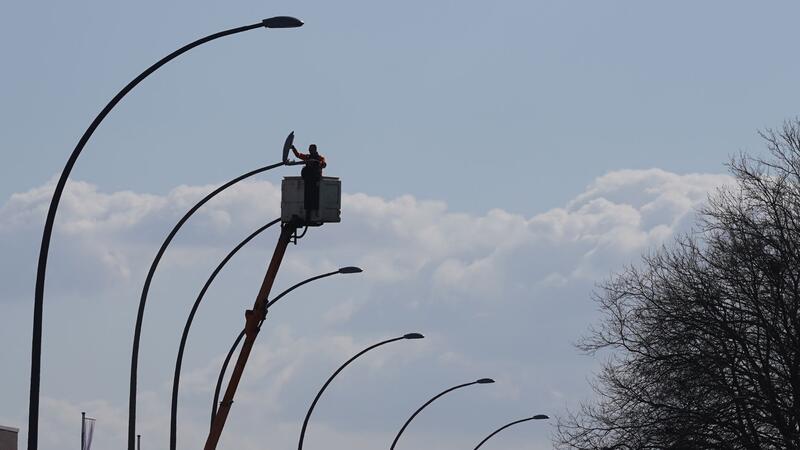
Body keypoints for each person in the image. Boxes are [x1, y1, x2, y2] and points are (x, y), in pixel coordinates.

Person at [291, 144, 326, 221]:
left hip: (316, 180)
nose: (310, 150)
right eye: (309, 149)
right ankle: (308, 214)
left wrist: (317, 163)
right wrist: (293, 148)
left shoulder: (320, 158)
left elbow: (324, 164)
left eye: (311, 149)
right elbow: (298, 155)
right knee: (307, 197)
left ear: (315, 150)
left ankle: (315, 212)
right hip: (308, 180)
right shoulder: (307, 157)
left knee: (315, 197)